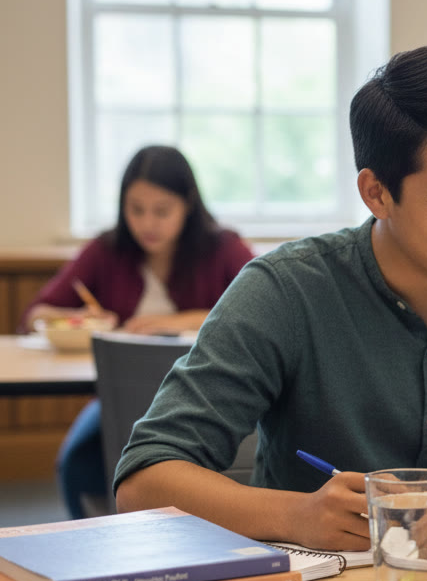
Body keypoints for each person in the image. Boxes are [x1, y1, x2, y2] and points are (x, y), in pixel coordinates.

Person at [114, 46, 427, 551]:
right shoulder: (285, 290)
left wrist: (404, 504)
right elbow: (143, 482)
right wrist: (296, 515)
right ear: (377, 194)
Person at [21, 145, 254, 519]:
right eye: (136, 209)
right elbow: (36, 314)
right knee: (75, 462)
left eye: (162, 211)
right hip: (119, 397)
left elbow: (260, 313)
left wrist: (178, 321)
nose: (148, 223)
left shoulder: (223, 247)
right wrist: (79, 319)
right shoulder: (107, 250)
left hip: (207, 397)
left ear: (188, 206)